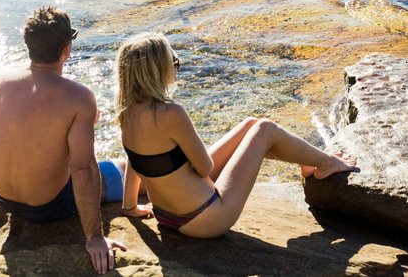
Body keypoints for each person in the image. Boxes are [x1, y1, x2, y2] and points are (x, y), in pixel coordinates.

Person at [115, 32, 357, 237]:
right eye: (173, 61)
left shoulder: (126, 114)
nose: (176, 67)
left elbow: (134, 164)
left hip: (165, 215)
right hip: (207, 217)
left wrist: (130, 207)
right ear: (158, 71)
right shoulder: (171, 113)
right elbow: (204, 168)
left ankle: (307, 160)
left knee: (250, 124)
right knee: (264, 129)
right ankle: (326, 162)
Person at [0, 6, 146, 274]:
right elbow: (82, 169)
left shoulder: (3, 79)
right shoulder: (79, 96)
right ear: (66, 48)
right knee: (129, 169)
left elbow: (27, 128)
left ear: (29, 45)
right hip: (47, 207)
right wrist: (94, 237)